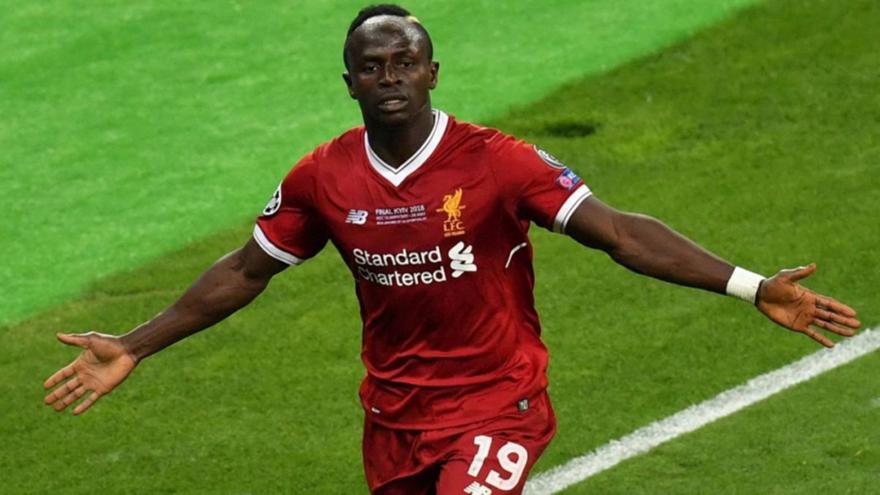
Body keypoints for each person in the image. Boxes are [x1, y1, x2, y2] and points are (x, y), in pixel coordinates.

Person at [43, 4, 861, 494]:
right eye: (372, 67)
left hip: (500, 404)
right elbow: (245, 270)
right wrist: (135, 344)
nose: (390, 76)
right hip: (394, 416)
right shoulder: (322, 176)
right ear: (350, 83)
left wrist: (750, 285)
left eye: (405, 62)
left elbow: (618, 232)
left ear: (432, 72)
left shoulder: (498, 162)